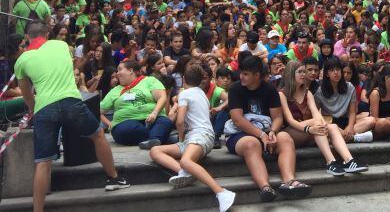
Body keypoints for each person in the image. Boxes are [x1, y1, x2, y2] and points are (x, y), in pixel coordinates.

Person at [15, 22, 129, 212]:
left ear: (27, 37)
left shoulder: (22, 60)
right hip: (71, 102)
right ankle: (113, 178)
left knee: (43, 162)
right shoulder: (61, 46)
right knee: (98, 134)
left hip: (44, 108)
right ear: (48, 34)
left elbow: (26, 94)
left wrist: (34, 110)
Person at [149, 63, 236, 212]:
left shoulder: (185, 94)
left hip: (200, 136)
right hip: (197, 137)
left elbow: (180, 120)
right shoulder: (201, 92)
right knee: (155, 151)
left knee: (186, 160)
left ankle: (221, 192)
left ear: (183, 79)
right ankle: (185, 172)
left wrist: (181, 139)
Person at [225, 55, 312, 201]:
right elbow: (237, 119)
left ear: (257, 75)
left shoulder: (270, 89)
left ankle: (289, 181)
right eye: (241, 73)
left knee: (285, 138)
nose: (241, 76)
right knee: (251, 144)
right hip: (239, 134)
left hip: (266, 131)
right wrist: (260, 135)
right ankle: (265, 187)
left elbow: (277, 117)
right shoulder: (235, 89)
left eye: (245, 74)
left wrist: (272, 132)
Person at [279, 60, 367, 175]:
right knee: (318, 123)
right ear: (291, 74)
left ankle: (349, 161)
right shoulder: (282, 94)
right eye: (299, 72)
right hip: (292, 132)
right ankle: (330, 162)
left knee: (333, 126)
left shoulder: (308, 93)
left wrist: (321, 125)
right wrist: (309, 128)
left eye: (303, 72)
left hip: (311, 130)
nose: (303, 74)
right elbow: (290, 121)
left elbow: (316, 114)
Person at [99, 60, 172, 148]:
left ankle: (153, 140)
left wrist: (154, 113)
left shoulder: (149, 81)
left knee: (165, 122)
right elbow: (99, 110)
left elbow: (162, 97)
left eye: (120, 70)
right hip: (126, 122)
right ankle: (156, 139)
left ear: (130, 71)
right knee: (127, 129)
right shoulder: (115, 90)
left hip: (154, 118)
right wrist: (108, 123)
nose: (117, 73)